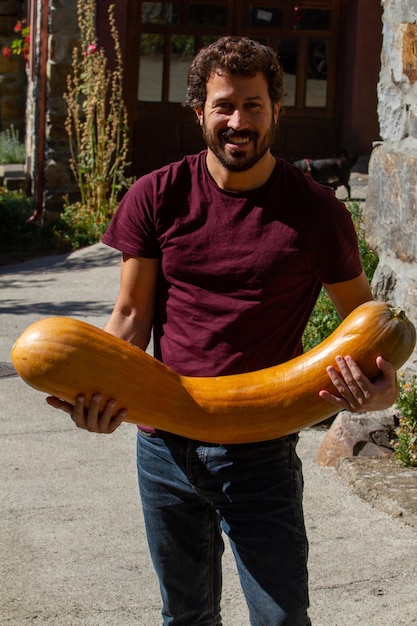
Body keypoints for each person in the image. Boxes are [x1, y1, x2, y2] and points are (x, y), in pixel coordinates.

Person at [47, 37, 397, 626]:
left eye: (254, 105)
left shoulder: (317, 213)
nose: (239, 122)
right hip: (163, 444)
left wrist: (380, 394)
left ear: (277, 111)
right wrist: (98, 392)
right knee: (184, 616)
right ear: (200, 111)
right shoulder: (156, 196)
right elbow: (130, 317)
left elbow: (368, 327)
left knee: (282, 619)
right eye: (224, 106)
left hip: (261, 446)